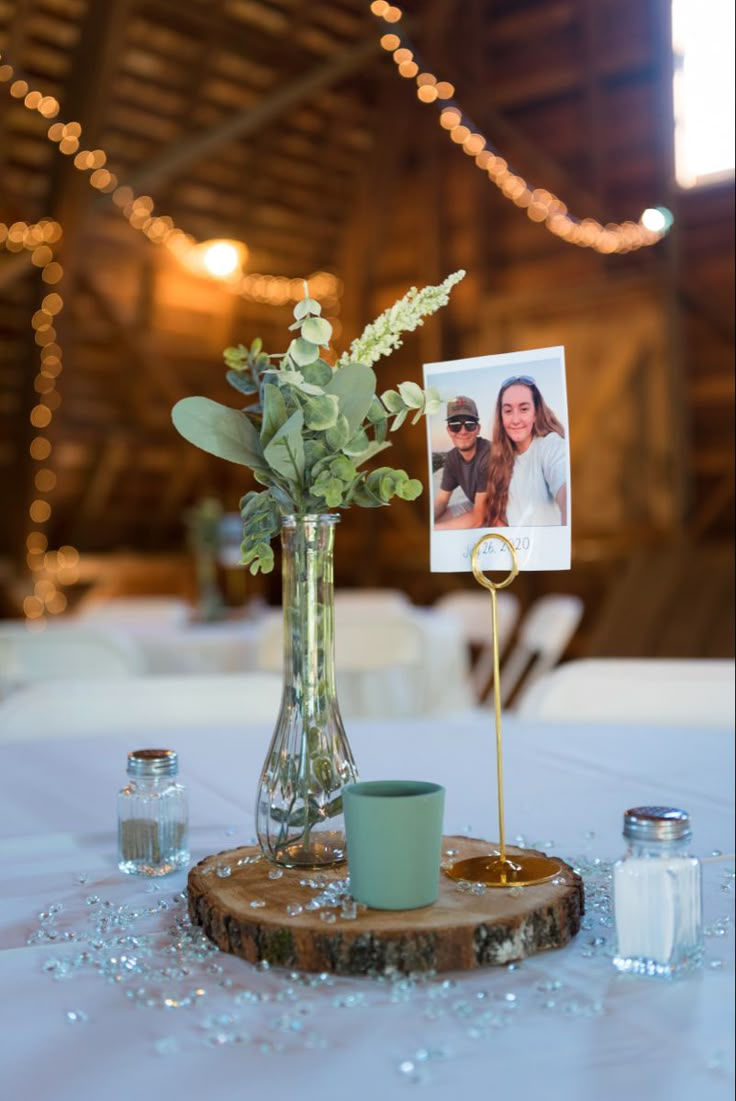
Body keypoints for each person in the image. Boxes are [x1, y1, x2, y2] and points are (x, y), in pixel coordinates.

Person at [436, 376, 567, 529]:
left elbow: (565, 490)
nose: (515, 419)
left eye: (524, 409)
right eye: (508, 411)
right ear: (501, 416)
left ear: (536, 413)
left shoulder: (550, 445)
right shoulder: (502, 459)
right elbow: (497, 513)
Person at [433, 396, 490, 526]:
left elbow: (479, 517)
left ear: (478, 429)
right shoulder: (452, 458)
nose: (463, 431)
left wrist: (434, 532)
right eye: (455, 426)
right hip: (476, 505)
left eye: (470, 425)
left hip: (500, 511)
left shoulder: (488, 454)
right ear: (448, 430)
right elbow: (442, 500)